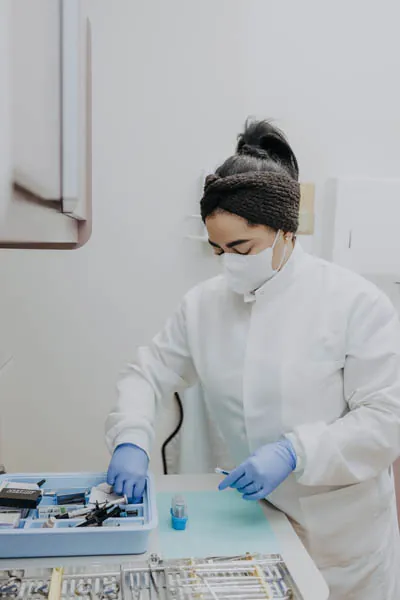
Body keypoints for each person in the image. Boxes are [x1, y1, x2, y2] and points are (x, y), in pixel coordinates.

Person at [106, 120, 400, 599]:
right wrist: (131, 438)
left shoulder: (355, 304)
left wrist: (295, 452)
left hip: (341, 538)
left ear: (286, 230)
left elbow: (386, 420)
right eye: (217, 249)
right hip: (251, 525)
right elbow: (148, 374)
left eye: (242, 247)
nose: (228, 262)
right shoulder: (203, 305)